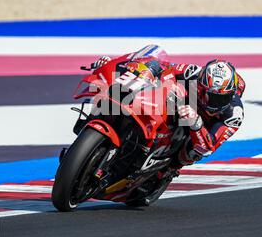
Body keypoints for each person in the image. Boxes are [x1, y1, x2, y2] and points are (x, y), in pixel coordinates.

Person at [91, 45, 246, 167]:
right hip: (182, 105)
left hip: (201, 127)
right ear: (200, 85)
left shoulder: (234, 114)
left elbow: (208, 147)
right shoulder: (192, 73)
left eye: (220, 99)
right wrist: (116, 64)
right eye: (209, 95)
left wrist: (196, 124)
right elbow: (162, 66)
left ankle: (165, 171)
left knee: (190, 153)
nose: (213, 102)